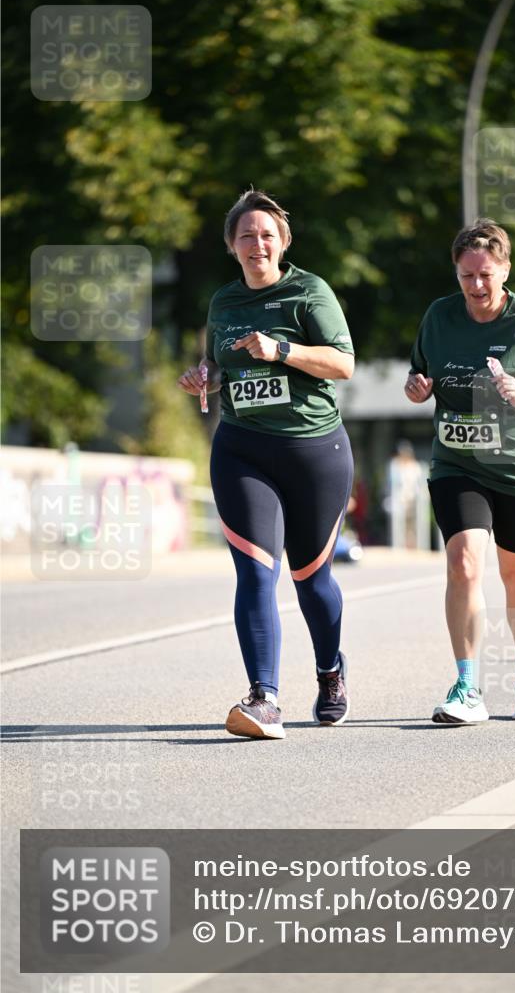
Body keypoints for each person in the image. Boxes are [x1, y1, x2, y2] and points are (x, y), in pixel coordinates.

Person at [178, 189, 355, 740]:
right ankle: (264, 698)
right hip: (242, 449)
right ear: (232, 246)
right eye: (247, 235)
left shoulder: (309, 292)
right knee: (256, 571)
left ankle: (330, 672)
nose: (258, 243)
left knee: (311, 579)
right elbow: (217, 364)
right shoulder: (224, 302)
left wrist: (283, 350)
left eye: (267, 234)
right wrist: (204, 377)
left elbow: (343, 363)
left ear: (284, 242)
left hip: (313, 452)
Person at [405, 218, 515, 724]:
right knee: (463, 563)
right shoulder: (439, 317)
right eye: (467, 275)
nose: (476, 285)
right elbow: (419, 375)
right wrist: (417, 388)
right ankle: (467, 687)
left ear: (505, 270)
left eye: (485, 274)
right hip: (458, 461)